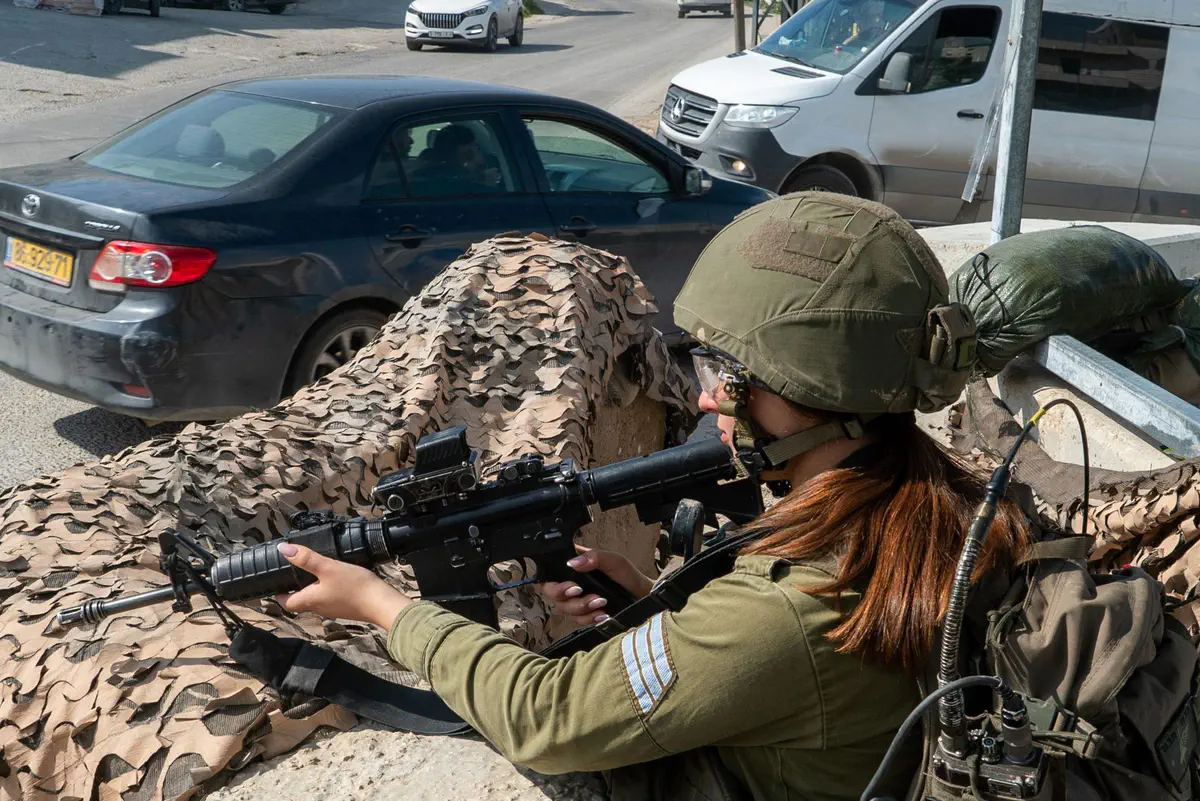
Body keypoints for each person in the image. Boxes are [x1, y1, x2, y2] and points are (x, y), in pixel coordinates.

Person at [269, 192, 1033, 800]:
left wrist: (384, 608)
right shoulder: (926, 496)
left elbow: (547, 718)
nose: (707, 398)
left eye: (730, 376)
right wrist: (655, 604)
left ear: (812, 391)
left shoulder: (800, 604)